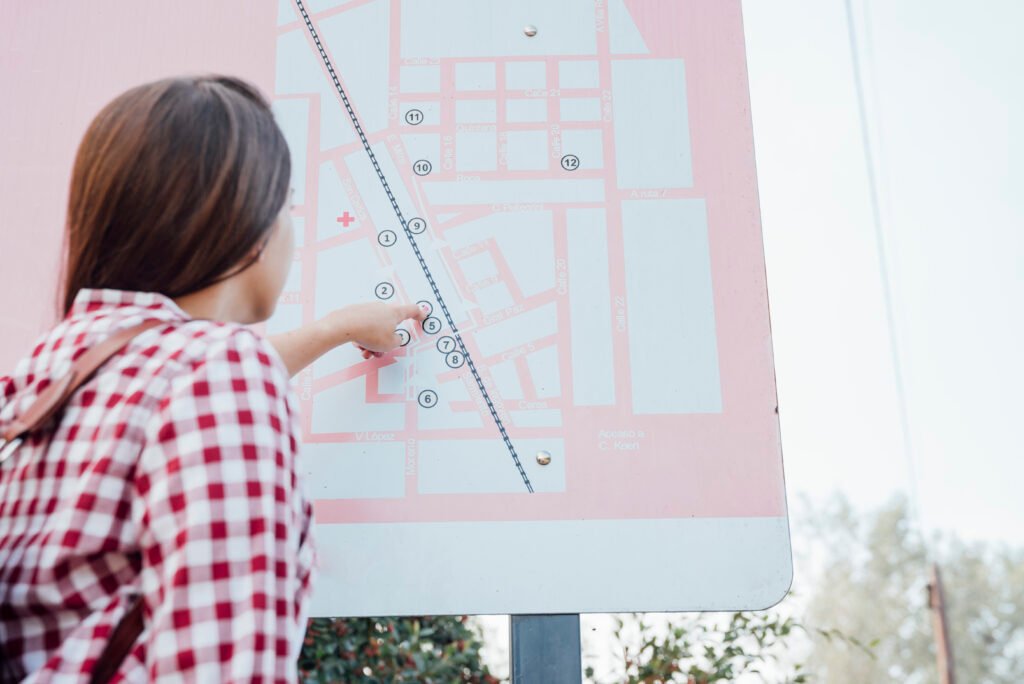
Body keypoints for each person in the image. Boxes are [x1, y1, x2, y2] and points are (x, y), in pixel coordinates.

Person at [0, 75, 424, 681]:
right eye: (286, 207)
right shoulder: (219, 373)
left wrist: (333, 330)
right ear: (245, 223)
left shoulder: (44, 373)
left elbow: (167, 386)